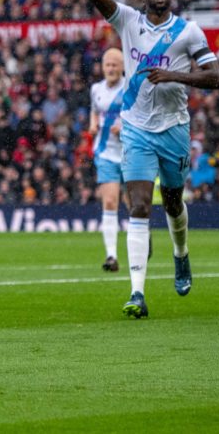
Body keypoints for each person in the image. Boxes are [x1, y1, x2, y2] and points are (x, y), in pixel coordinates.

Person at [83, 0, 219, 318]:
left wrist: (176, 77)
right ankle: (137, 293)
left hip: (174, 128)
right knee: (140, 205)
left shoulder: (188, 32)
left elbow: (215, 77)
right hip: (136, 128)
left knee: (174, 203)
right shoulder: (127, 20)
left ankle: (181, 254)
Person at [89, 47, 126, 272]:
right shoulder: (96, 89)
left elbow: (139, 114)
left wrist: (124, 126)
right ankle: (111, 255)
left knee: (135, 205)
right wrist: (93, 124)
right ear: (103, 67)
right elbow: (95, 110)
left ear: (122, 66)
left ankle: (143, 235)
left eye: (115, 65)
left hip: (131, 152)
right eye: (107, 65)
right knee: (110, 201)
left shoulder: (130, 87)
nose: (111, 69)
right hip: (105, 153)